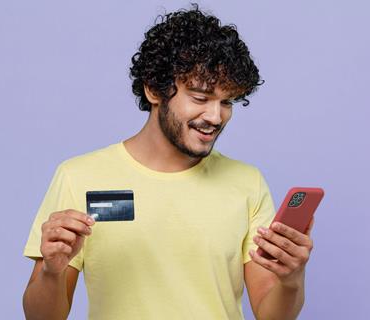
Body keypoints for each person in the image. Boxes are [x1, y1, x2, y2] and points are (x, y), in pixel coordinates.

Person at [22, 3, 314, 320]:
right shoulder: (80, 177)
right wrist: (51, 271)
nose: (216, 117)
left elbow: (272, 315)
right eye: (200, 97)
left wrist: (291, 279)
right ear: (153, 89)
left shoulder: (247, 183)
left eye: (226, 102)